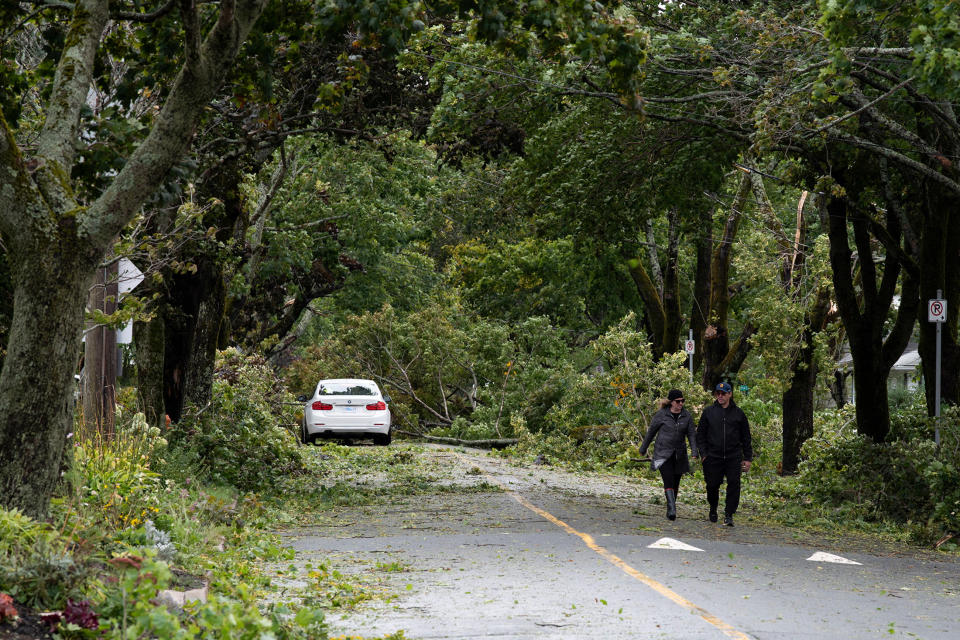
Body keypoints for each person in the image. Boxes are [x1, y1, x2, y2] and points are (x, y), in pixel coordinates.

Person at [696, 381, 753, 526]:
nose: (720, 396)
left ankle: (729, 514)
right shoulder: (709, 412)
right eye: (718, 393)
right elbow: (700, 435)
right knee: (712, 485)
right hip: (712, 456)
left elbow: (746, 437)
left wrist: (747, 458)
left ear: (730, 394)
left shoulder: (738, 414)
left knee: (734, 484)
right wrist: (703, 454)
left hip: (733, 456)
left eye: (723, 393)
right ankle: (713, 507)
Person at [639, 389, 699, 521]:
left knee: (676, 482)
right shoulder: (662, 415)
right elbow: (651, 432)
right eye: (678, 401)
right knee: (668, 479)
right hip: (662, 453)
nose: (681, 404)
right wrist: (643, 448)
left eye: (682, 401)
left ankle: (670, 506)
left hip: (679, 454)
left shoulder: (687, 416)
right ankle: (672, 508)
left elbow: (691, 435)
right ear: (671, 402)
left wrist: (694, 451)